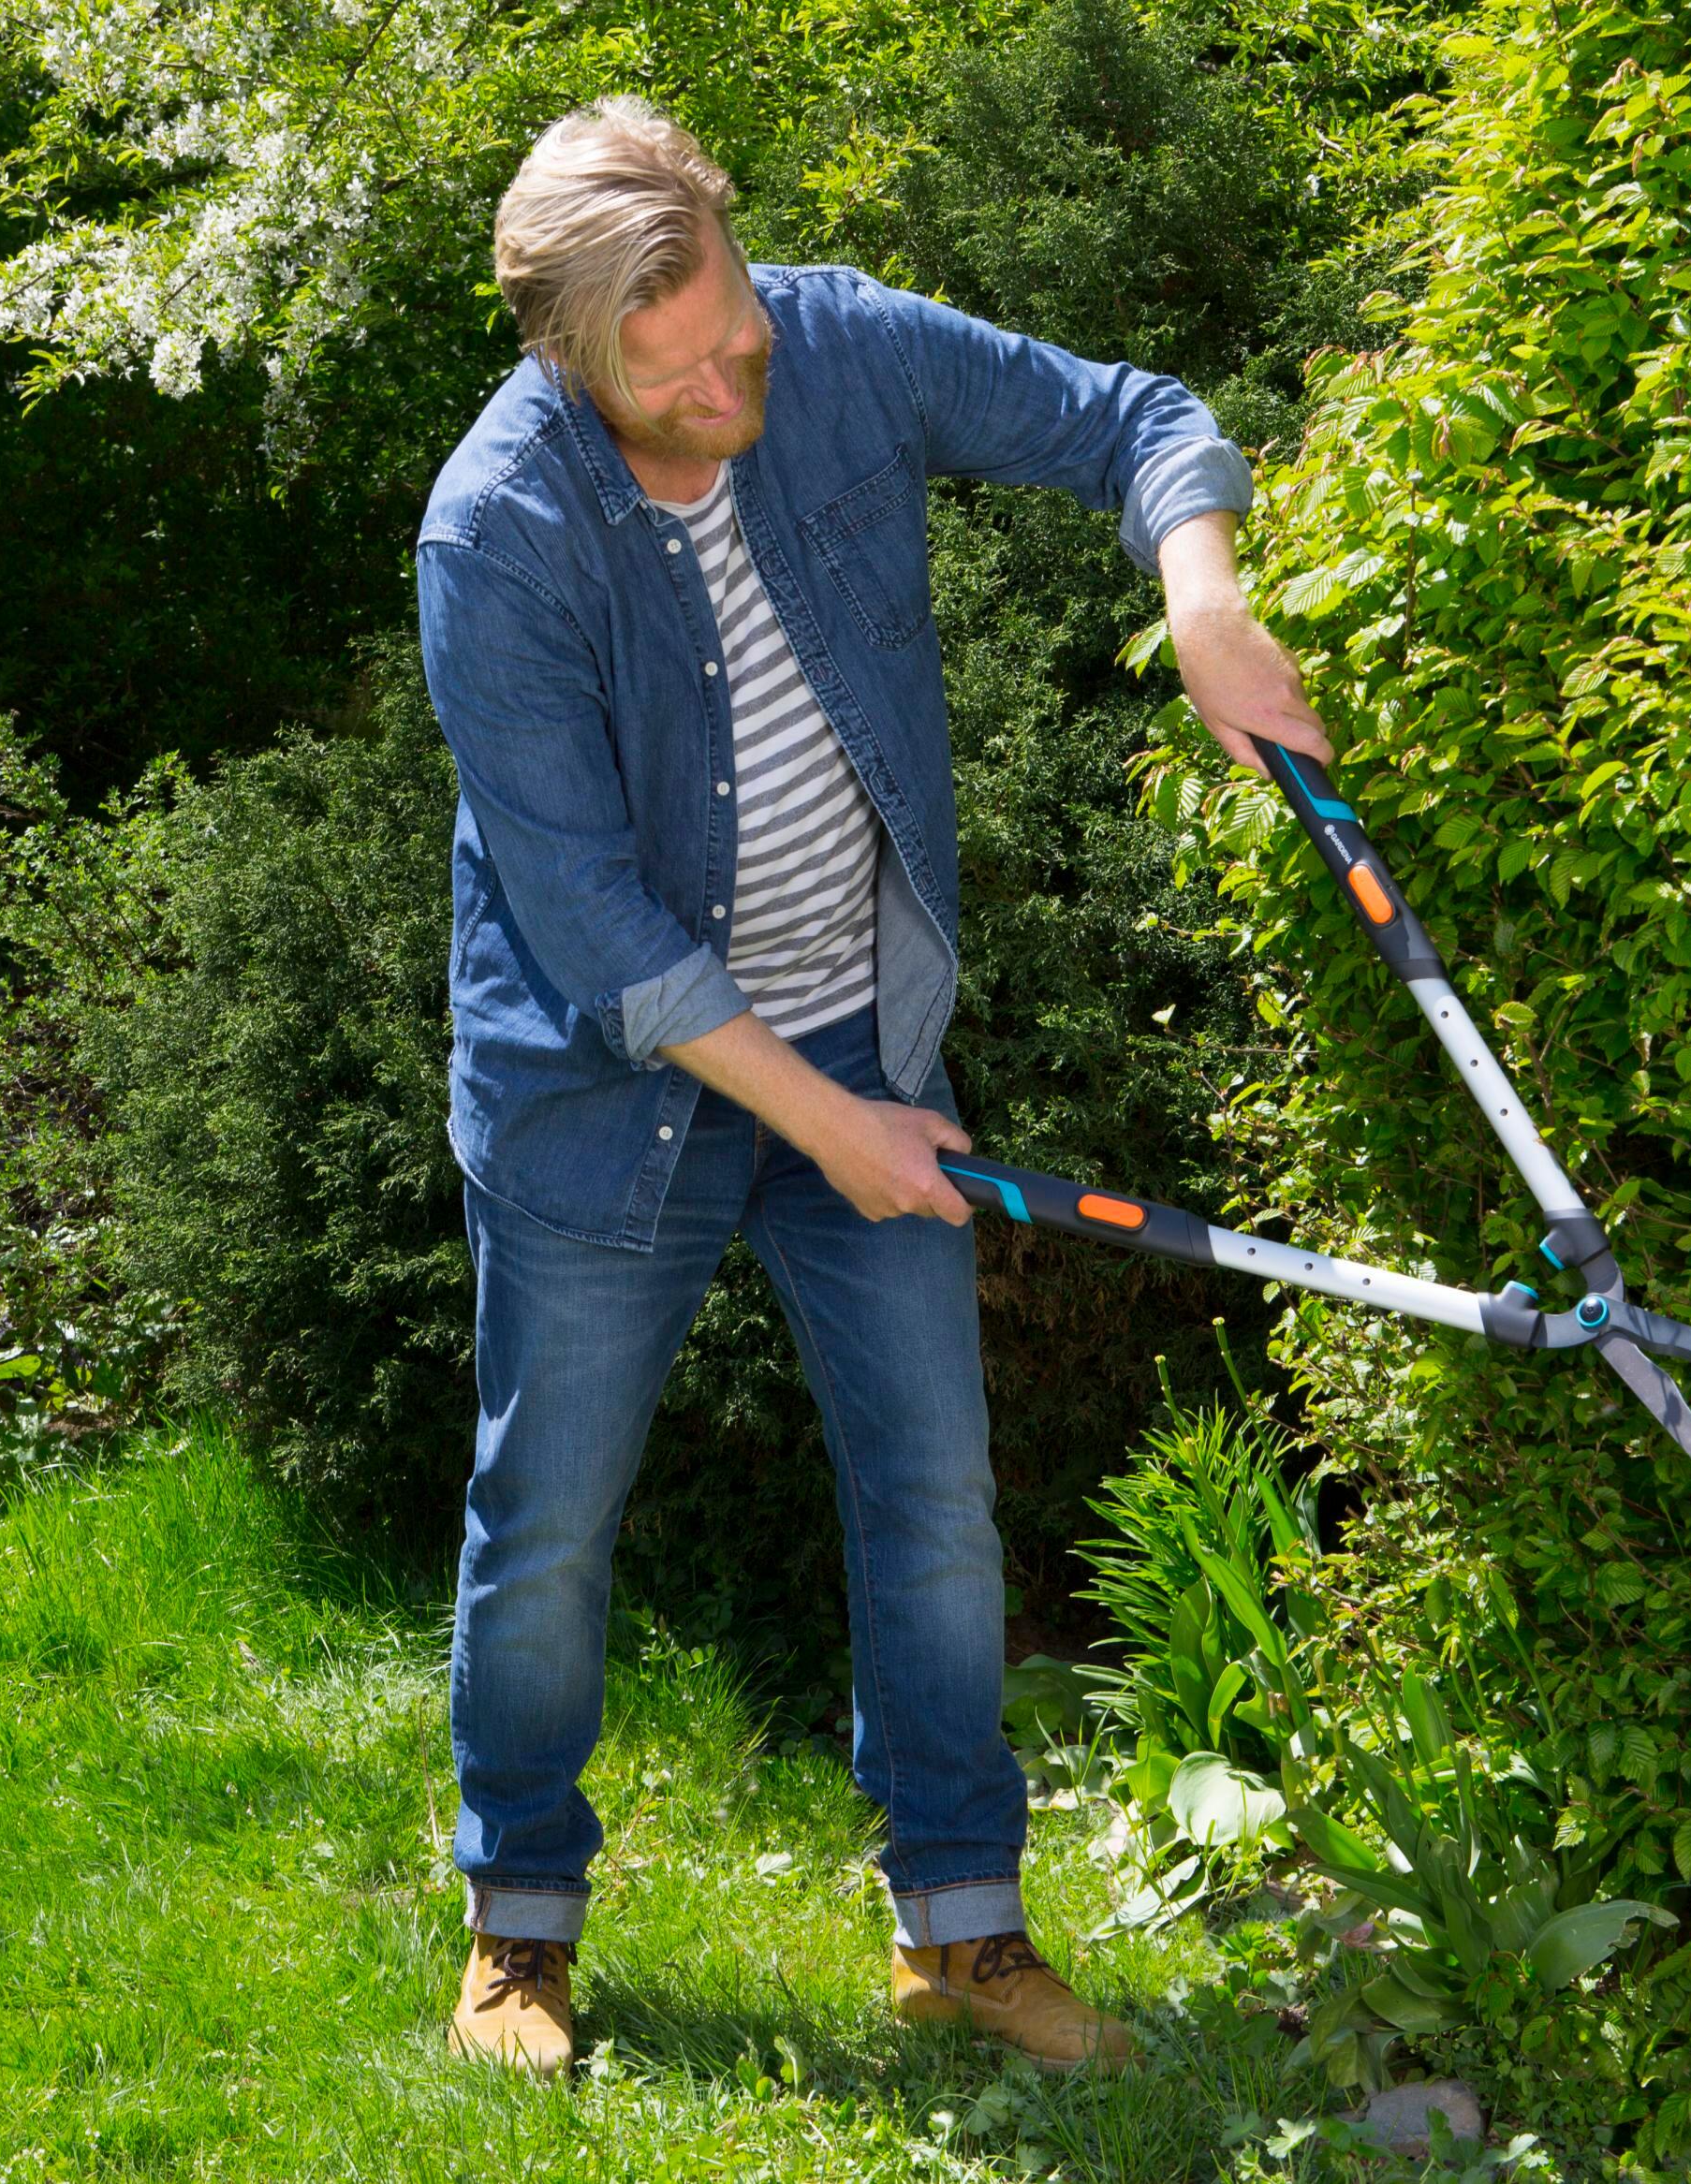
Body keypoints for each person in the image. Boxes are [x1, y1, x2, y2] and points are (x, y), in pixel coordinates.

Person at [413, 98, 1332, 2080]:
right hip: (600, 1095)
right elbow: (588, 917)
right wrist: (835, 1134)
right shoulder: (496, 532)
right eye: (674, 374)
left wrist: (1199, 596)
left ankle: (962, 1932)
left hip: (859, 1042)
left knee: (930, 1503)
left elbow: (1132, 417)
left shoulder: (827, 343)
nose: (732, 380)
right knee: (548, 1521)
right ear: (568, 363)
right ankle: (521, 1930)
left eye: (734, 332)